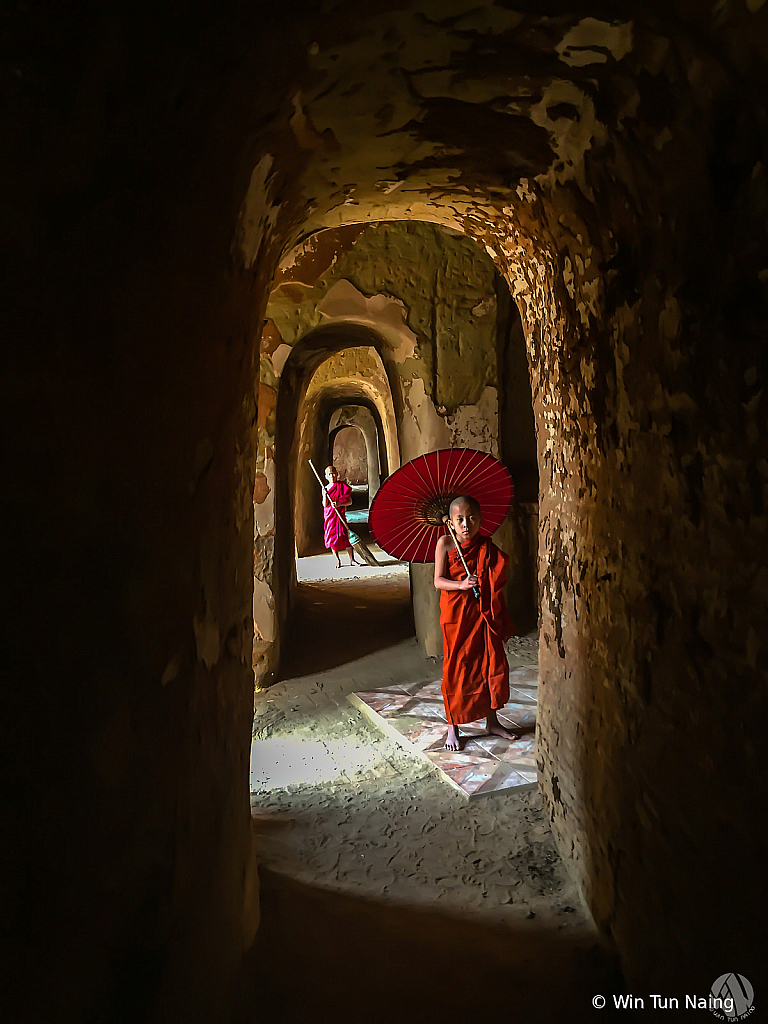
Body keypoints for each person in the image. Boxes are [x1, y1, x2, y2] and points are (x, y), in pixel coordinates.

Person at [433, 494, 518, 751]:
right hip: (457, 616)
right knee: (458, 667)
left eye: (471, 518)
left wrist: (482, 583)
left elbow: (496, 575)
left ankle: (491, 721)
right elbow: (438, 581)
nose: (466, 524)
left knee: (488, 662)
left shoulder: (485, 547)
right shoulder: (445, 543)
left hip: (481, 613)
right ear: (451, 523)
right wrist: (461, 584)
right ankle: (453, 726)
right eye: (459, 519)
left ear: (480, 520)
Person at [322, 465, 358, 568]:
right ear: (326, 477)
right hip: (330, 516)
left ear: (337, 474)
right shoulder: (325, 488)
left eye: (333, 473)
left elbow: (350, 501)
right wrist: (325, 494)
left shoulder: (342, 486)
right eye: (329, 474)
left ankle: (352, 559)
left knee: (345, 536)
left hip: (340, 515)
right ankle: (337, 560)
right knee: (332, 537)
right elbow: (325, 504)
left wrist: (339, 504)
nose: (332, 476)